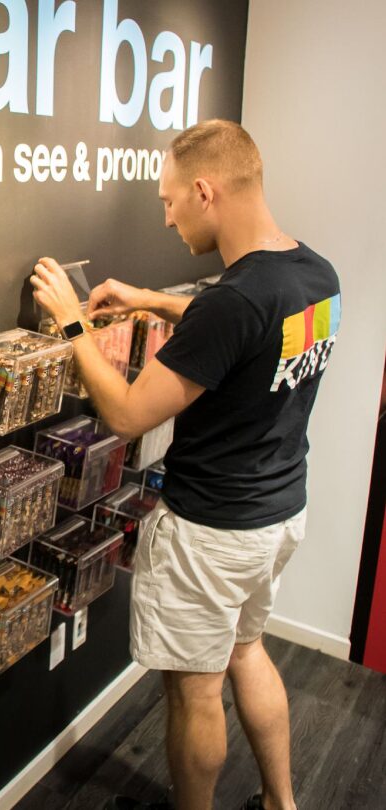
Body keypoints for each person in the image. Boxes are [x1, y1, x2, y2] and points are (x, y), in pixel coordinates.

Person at [30, 119, 340, 810]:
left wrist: (72, 324)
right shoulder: (314, 275)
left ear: (205, 190)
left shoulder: (232, 302)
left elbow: (129, 414)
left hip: (212, 534)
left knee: (195, 691)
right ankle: (282, 803)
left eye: (170, 201)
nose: (167, 217)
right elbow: (244, 331)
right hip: (279, 515)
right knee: (247, 650)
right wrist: (148, 300)